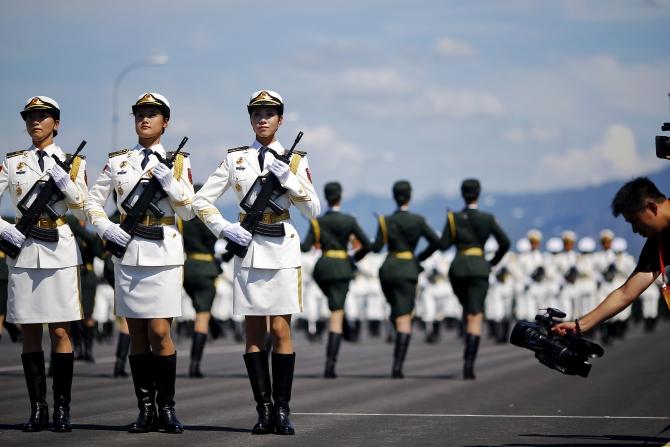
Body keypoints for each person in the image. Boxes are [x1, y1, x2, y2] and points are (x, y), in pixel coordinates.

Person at [191, 90, 319, 435]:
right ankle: (263, 410)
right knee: (253, 333)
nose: (262, 118)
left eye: (270, 113)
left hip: (281, 247)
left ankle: (282, 410)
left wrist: (290, 178)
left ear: (281, 119)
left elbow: (313, 209)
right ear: (250, 119)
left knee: (280, 329)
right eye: (256, 113)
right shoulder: (236, 159)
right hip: (248, 247)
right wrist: (226, 228)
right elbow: (201, 202)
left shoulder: (294, 160)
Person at [85, 92, 194, 434]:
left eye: (152, 114)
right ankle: (146, 409)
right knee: (137, 334)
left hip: (163, 252)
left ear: (166, 122)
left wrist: (170, 184)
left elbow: (188, 210)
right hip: (129, 252)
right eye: (140, 114)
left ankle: (167, 407)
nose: (144, 119)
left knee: (160, 331)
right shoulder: (119, 162)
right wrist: (106, 227)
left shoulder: (178, 162)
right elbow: (92, 201)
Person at [0, 96, 88, 432]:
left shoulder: (72, 162)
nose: (35, 122)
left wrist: (67, 186)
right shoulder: (13, 163)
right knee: (30, 329)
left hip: (59, 252)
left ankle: (62, 408)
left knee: (61, 329)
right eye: (30, 117)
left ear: (56, 123)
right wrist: (8, 230)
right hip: (23, 250)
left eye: (43, 117)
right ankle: (38, 408)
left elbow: (81, 211)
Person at [553, 177, 670, 339]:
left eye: (635, 221)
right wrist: (581, 325)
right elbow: (625, 292)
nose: (635, 230)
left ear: (652, 208)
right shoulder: (658, 244)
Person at [430, 179, 510, 379]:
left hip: (458, 267)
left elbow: (443, 245)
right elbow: (505, 242)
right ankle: (468, 365)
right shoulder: (487, 218)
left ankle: (467, 358)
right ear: (478, 194)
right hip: (479, 267)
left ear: (462, 194)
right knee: (476, 315)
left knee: (468, 310)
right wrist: (491, 262)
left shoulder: (453, 217)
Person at [300, 181, 371, 378]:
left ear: (326, 197)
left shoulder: (317, 222)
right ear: (340, 197)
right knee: (336, 315)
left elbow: (305, 247)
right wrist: (352, 258)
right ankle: (330, 365)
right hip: (341, 267)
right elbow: (366, 244)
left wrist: (314, 231)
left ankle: (341, 321)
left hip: (322, 268)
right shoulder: (349, 220)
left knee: (333, 303)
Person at [370, 180, 440, 379]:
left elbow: (376, 248)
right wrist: (419, 258)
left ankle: (395, 325)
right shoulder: (418, 220)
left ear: (394, 196)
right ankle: (397, 366)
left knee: (396, 310)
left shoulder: (385, 220)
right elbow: (436, 242)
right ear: (410, 196)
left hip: (388, 268)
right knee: (404, 317)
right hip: (408, 268)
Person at [181, 184, 222, 378]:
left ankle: (212, 321)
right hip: (206, 268)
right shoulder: (208, 221)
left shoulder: (183, 221)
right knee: (202, 316)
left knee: (199, 308)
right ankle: (194, 365)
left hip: (187, 269)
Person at [68, 215, 103, 363]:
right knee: (73, 316)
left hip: (87, 276)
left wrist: (85, 234)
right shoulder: (70, 235)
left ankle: (88, 349)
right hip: (72, 276)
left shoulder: (90, 237)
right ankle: (77, 347)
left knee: (87, 315)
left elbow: (98, 252)